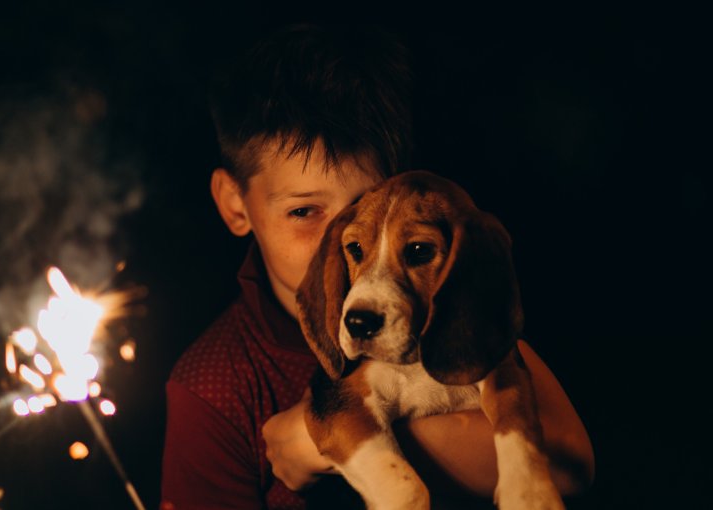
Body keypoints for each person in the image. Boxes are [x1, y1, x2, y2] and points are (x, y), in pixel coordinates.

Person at [160, 24, 594, 509]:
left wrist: (315, 437)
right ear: (235, 205)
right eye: (304, 211)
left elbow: (572, 464)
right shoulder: (210, 390)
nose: (340, 244)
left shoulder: (453, 308)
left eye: (366, 209)